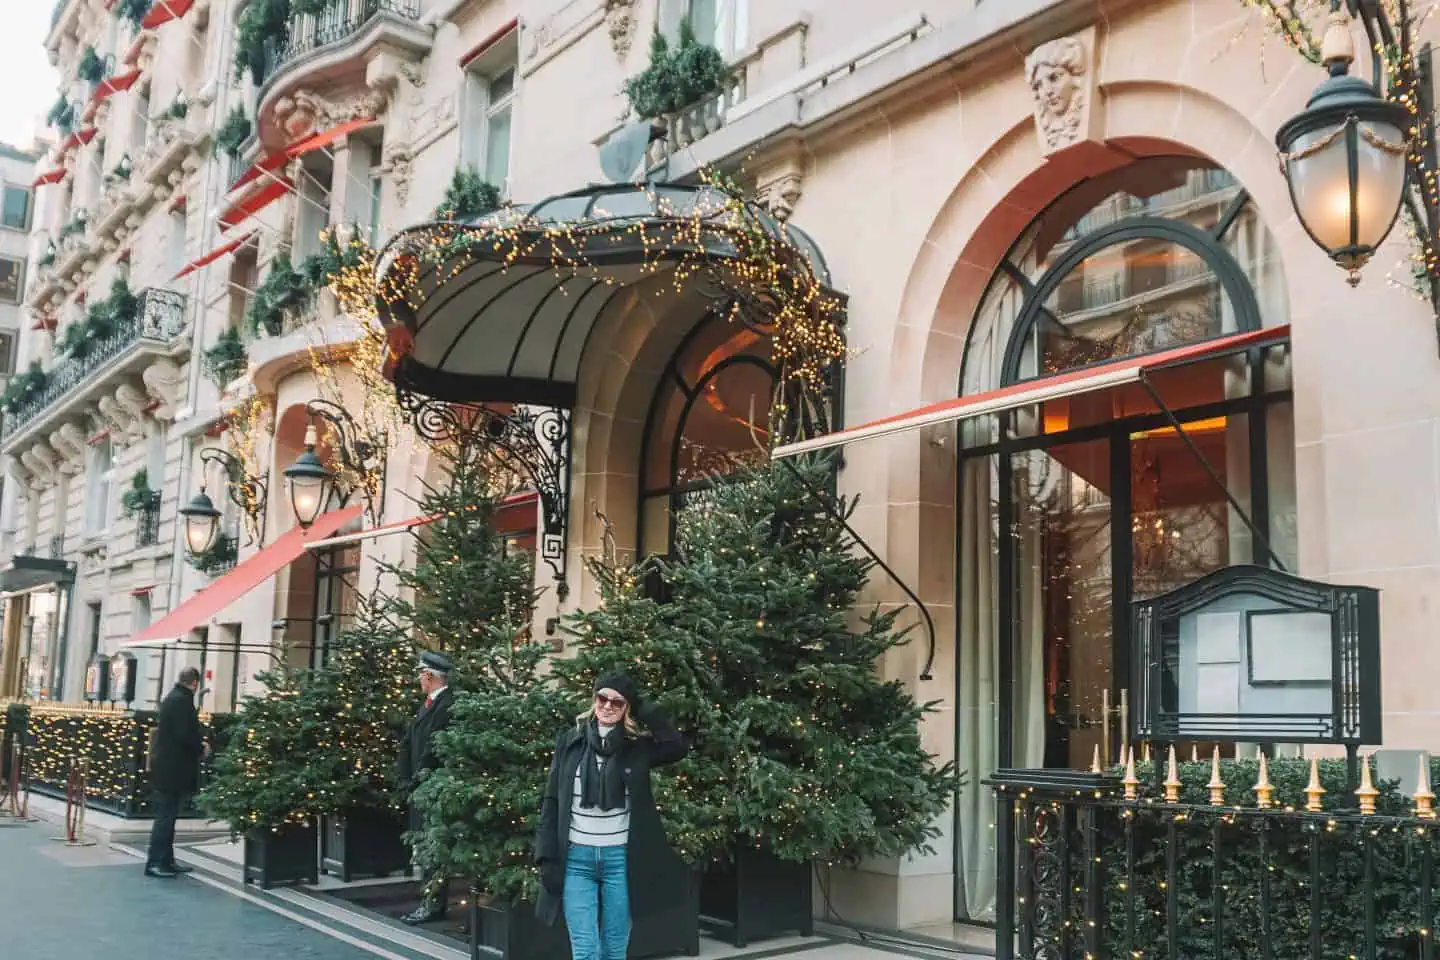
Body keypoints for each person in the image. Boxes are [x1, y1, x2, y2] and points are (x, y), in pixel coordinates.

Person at [534, 672, 689, 960]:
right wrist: (546, 858)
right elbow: (552, 800)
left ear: (626, 709)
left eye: (617, 702)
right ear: (593, 700)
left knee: (615, 948)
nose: (608, 706)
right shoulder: (569, 742)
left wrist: (641, 704)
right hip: (576, 860)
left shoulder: (637, 749)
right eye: (602, 698)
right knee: (586, 950)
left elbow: (675, 747)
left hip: (621, 860)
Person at [396, 650, 455, 925]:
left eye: (421, 674)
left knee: (432, 849)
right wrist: (404, 777)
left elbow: (433, 748)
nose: (419, 679)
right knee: (424, 846)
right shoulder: (429, 703)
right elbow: (409, 741)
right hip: (419, 787)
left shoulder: (446, 705)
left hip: (431, 787)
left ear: (430, 676)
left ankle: (432, 904)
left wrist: (419, 777)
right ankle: (429, 900)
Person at [145, 666, 207, 878]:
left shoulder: (173, 697)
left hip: (167, 767)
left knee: (168, 816)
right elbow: (185, 733)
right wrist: (201, 748)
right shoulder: (181, 700)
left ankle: (165, 860)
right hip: (172, 769)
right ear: (195, 683)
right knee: (166, 816)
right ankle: (155, 862)